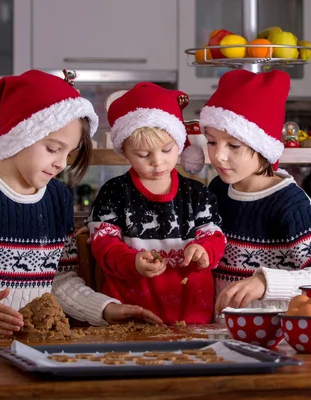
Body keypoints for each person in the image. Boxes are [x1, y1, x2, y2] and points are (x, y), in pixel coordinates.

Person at [0, 70, 162, 336]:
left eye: (69, 153)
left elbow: (61, 282)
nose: (61, 163)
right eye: (53, 149)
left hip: (34, 342)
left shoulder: (58, 198)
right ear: (21, 134)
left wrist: (105, 309)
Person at [199, 69, 311, 314]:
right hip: (222, 333)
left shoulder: (290, 204)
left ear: (262, 146)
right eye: (212, 142)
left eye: (234, 146)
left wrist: (265, 282)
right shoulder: (218, 189)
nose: (218, 155)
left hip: (274, 338)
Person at [87, 82, 225, 324]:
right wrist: (131, 261)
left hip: (192, 314)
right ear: (125, 152)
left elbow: (214, 236)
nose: (157, 162)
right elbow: (103, 244)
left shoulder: (197, 194)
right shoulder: (114, 192)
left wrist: (205, 251)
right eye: (143, 155)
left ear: (180, 144)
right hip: (131, 315)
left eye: (167, 150)